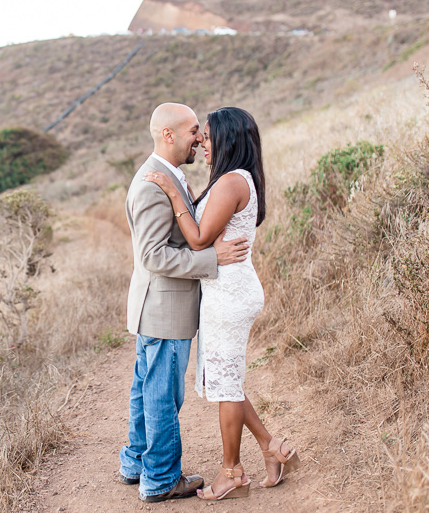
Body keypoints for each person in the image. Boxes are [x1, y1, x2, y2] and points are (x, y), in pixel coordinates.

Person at [144, 106, 300, 501]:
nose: (201, 141)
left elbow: (197, 239)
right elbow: (208, 235)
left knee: (226, 386)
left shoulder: (231, 181)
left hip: (229, 294)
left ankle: (232, 473)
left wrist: (171, 193)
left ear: (228, 139)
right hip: (226, 289)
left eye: (208, 136)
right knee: (224, 380)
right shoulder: (234, 179)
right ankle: (272, 447)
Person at [118, 102, 250, 502]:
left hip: (156, 306)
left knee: (145, 389)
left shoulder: (169, 177)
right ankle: (160, 478)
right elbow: (154, 256)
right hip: (165, 309)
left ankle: (135, 463)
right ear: (168, 135)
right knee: (161, 394)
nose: (200, 137)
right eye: (194, 130)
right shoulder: (150, 185)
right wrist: (213, 258)